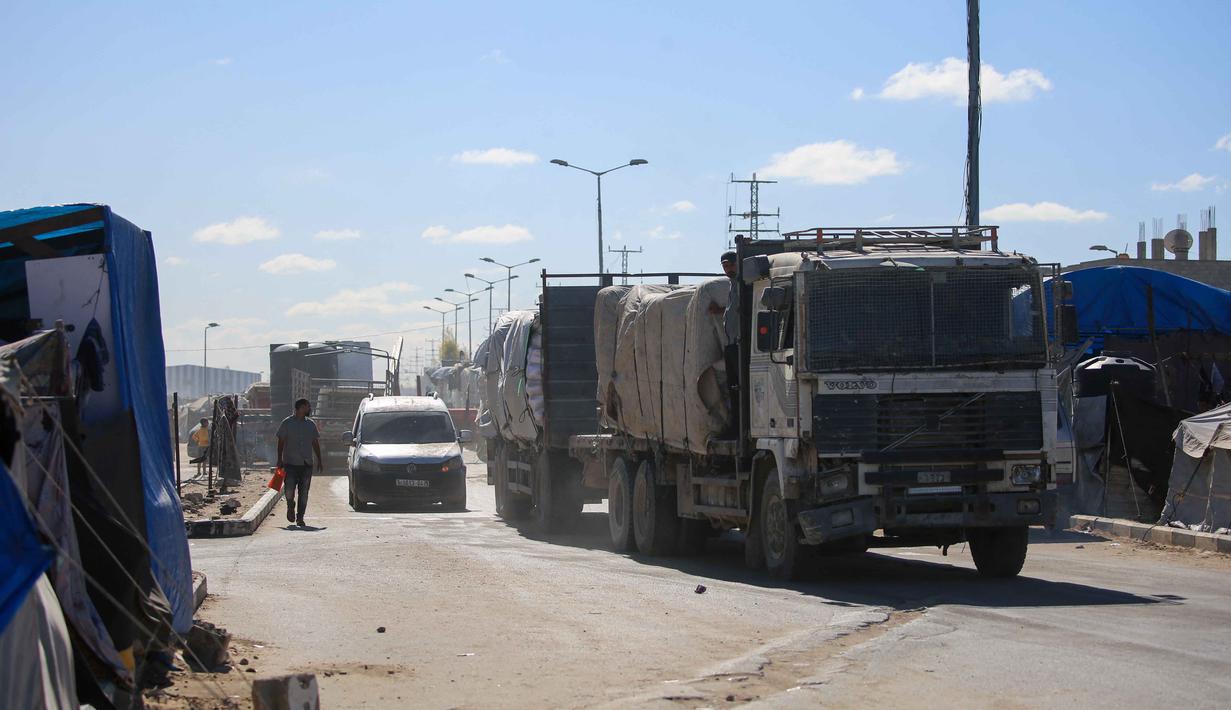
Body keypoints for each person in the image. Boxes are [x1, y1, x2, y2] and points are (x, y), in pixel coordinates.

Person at [276, 398, 322, 527]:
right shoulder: (286, 423)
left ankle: (300, 517)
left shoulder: (311, 424)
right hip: (290, 464)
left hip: (306, 465)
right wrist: (279, 459)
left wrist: (319, 459)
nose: (309, 409)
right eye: (307, 407)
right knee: (289, 490)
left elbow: (315, 442)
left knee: (304, 493)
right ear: (301, 408)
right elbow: (281, 442)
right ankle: (290, 505)